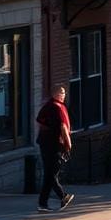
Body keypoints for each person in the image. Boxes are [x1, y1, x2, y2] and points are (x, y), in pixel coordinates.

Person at [36, 85, 74, 213]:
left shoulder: (47, 106)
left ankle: (42, 204)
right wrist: (68, 145)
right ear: (55, 94)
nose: (64, 95)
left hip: (44, 144)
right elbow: (63, 127)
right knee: (52, 173)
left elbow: (40, 120)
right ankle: (63, 196)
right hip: (54, 145)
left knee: (49, 174)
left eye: (65, 93)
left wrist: (49, 129)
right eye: (62, 93)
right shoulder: (58, 108)